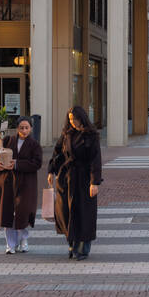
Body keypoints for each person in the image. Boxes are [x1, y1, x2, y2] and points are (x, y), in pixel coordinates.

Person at [47, 106, 102, 260]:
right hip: (67, 178)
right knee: (65, 212)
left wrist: (94, 182)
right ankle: (72, 243)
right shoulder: (67, 134)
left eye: (75, 119)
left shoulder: (91, 136)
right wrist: (51, 171)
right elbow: (57, 153)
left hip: (84, 179)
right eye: (70, 119)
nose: (72, 122)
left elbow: (95, 160)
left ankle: (83, 248)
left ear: (82, 118)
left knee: (83, 214)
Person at [0, 117, 43, 254]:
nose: (24, 130)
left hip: (25, 184)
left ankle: (23, 240)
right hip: (7, 182)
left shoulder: (34, 145)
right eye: (21, 127)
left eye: (27, 127)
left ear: (30, 128)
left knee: (22, 213)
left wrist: (17, 164)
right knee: (7, 214)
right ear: (17, 128)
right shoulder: (7, 141)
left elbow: (37, 163)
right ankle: (10, 244)